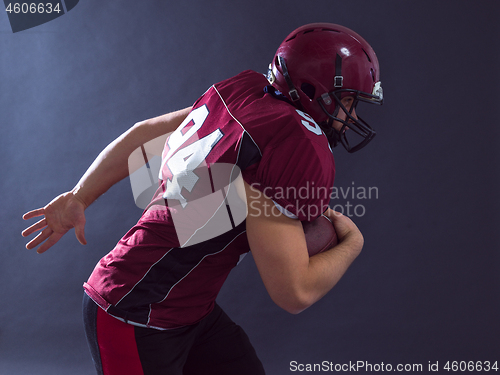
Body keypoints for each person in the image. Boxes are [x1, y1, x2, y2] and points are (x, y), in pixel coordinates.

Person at [22, 23, 383, 375]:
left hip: (188, 309)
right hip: (132, 312)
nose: (351, 115)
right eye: (347, 100)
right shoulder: (292, 143)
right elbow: (294, 292)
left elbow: (142, 134)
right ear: (312, 89)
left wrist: (79, 196)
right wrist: (352, 242)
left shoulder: (243, 93)